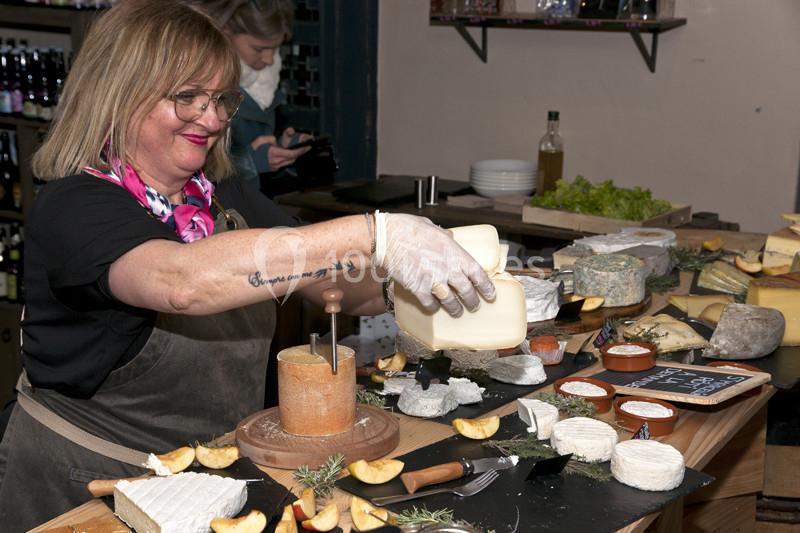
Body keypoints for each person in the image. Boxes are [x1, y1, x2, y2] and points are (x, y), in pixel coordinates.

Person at [0, 1, 494, 529]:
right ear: (119, 93)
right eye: (187, 97)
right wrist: (378, 232)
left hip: (207, 482)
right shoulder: (76, 205)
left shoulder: (224, 195)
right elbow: (182, 282)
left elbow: (335, 284)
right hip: (87, 484)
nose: (211, 120)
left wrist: (413, 285)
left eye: (220, 100)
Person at [189, 0, 312, 190]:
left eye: (275, 48)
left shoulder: (265, 86)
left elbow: (249, 147)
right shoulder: (197, 84)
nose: (270, 59)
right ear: (224, 32)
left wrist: (281, 149)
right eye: (259, 49)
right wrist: (251, 162)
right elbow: (191, 173)